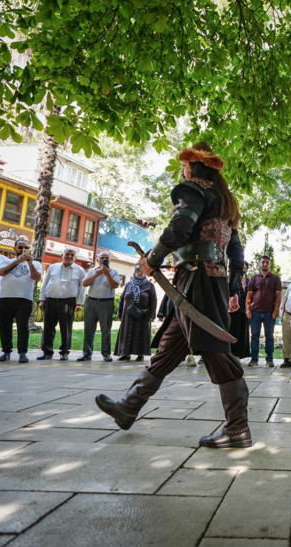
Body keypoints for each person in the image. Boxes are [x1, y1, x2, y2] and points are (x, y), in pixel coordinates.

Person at [96, 142, 252, 449]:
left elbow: (179, 229)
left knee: (215, 351)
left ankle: (238, 428)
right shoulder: (225, 201)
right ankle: (129, 406)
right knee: (168, 349)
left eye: (185, 166)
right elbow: (236, 252)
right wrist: (233, 288)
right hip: (206, 282)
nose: (183, 171)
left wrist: (152, 259)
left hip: (198, 281)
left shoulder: (193, 190)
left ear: (194, 166)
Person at [0, 239, 42, 363]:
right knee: (5, 327)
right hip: (5, 297)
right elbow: (1, 272)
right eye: (20, 247)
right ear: (14, 249)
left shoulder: (36, 263)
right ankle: (6, 352)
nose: (23, 250)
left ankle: (22, 353)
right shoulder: (7, 261)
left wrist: (29, 263)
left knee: (22, 327)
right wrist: (17, 261)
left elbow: (37, 278)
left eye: (26, 248)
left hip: (24, 299)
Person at [38, 247, 86, 360]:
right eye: (67, 254)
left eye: (72, 255)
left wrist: (79, 303)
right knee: (48, 328)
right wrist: (42, 300)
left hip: (68, 302)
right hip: (51, 301)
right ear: (62, 255)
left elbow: (82, 288)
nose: (69, 256)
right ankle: (47, 352)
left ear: (75, 257)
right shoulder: (53, 267)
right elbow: (45, 283)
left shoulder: (80, 270)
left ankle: (64, 352)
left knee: (66, 329)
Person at [78, 251, 121, 362]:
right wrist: (96, 275)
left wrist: (107, 274)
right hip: (91, 302)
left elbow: (115, 285)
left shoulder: (114, 272)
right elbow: (84, 283)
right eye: (102, 257)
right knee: (89, 329)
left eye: (107, 257)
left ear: (110, 260)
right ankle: (87, 354)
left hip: (106, 303)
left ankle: (106, 354)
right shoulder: (92, 271)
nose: (104, 259)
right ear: (97, 260)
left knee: (106, 330)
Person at [245, 256, 282, 367]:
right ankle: (254, 359)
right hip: (255, 312)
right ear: (260, 264)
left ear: (270, 264)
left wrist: (276, 310)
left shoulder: (275, 278)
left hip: (269, 313)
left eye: (267, 262)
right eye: (263, 262)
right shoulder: (254, 278)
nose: (265, 264)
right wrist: (247, 309)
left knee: (269, 337)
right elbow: (249, 295)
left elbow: (278, 296)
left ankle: (269, 360)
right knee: (254, 336)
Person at [115, 266, 157, 361]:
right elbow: (122, 299)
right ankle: (126, 353)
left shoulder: (149, 285)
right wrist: (119, 313)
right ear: (135, 271)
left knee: (140, 333)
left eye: (142, 270)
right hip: (127, 314)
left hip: (142, 315)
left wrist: (152, 315)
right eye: (138, 270)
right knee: (126, 333)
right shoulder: (128, 284)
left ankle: (140, 354)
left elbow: (153, 301)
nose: (139, 272)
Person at [228, 261, 250, 359]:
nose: (243, 270)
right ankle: (231, 352)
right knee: (232, 331)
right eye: (242, 268)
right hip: (233, 310)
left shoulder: (249, 281)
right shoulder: (233, 280)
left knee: (242, 333)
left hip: (244, 311)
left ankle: (240, 354)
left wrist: (244, 286)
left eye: (245, 268)